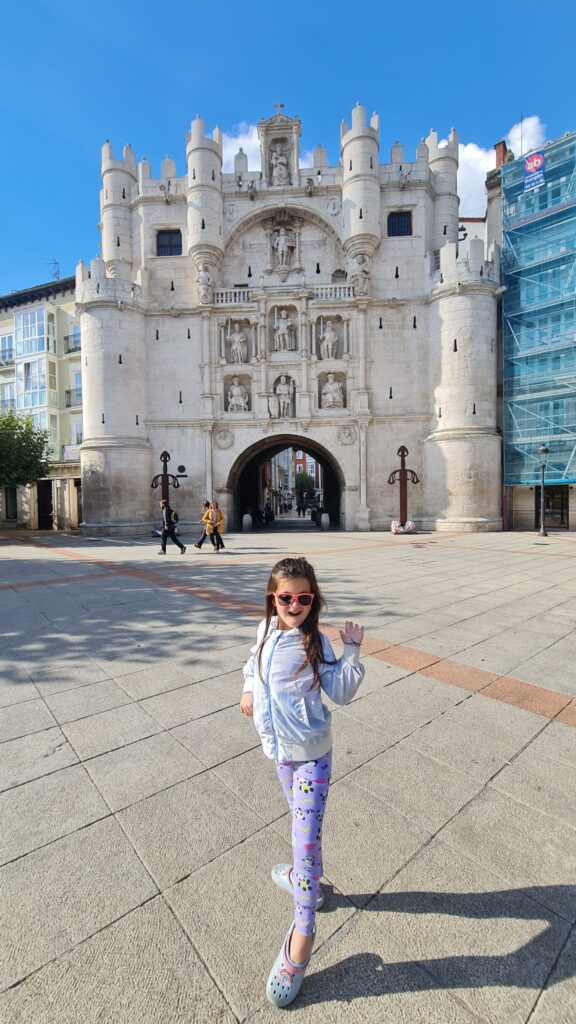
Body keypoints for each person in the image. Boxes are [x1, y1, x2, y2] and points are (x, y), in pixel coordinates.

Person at [240, 556, 364, 1008]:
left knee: (305, 839)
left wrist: (351, 649)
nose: (295, 604)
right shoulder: (265, 631)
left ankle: (302, 935)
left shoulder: (318, 642)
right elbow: (253, 665)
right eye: (286, 597)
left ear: (314, 600)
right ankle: (300, 876)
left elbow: (342, 691)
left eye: (304, 598)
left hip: (312, 757)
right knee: (299, 826)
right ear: (273, 599)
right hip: (280, 754)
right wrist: (248, 689)